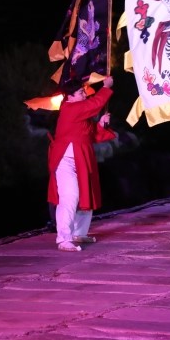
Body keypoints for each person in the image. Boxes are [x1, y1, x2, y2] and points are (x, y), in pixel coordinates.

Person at [47, 75, 116, 252]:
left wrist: (100, 125)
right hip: (65, 160)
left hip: (81, 160)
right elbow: (94, 105)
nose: (84, 95)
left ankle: (78, 233)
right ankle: (63, 238)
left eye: (83, 92)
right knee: (70, 196)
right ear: (70, 96)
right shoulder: (70, 108)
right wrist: (106, 87)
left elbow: (91, 134)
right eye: (80, 92)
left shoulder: (78, 112)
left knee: (85, 195)